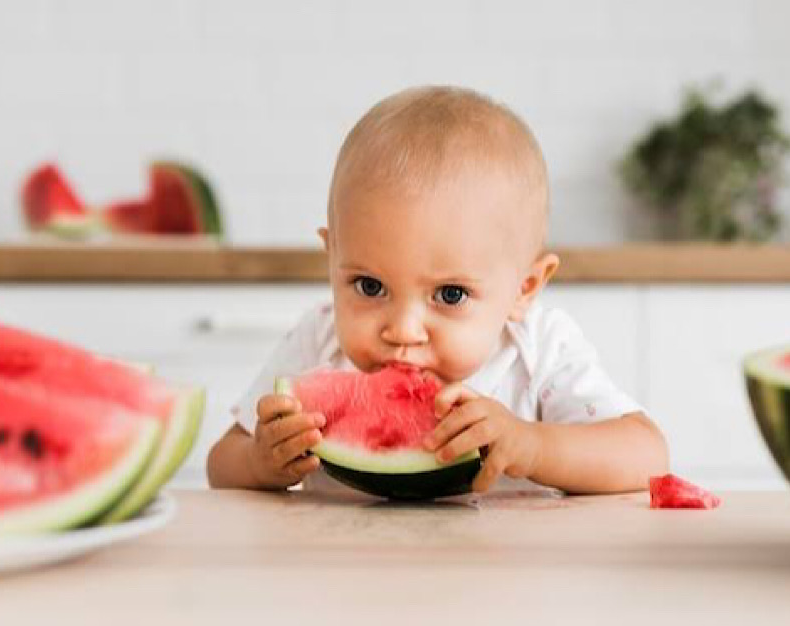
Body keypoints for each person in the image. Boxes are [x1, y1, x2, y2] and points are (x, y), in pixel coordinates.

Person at [208, 85, 668, 494]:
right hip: (347, 576)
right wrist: (259, 461)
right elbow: (221, 462)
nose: (404, 331)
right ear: (332, 260)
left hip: (502, 579)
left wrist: (532, 445)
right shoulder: (319, 338)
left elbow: (647, 454)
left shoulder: (539, 348)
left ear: (523, 289)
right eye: (369, 286)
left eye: (450, 295)